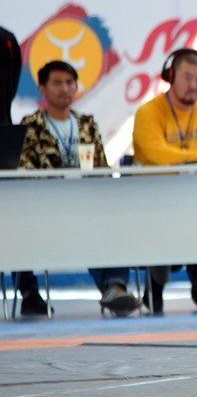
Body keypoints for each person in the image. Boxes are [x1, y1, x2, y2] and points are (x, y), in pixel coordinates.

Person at [16, 60, 142, 317]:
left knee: (113, 220)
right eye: (57, 83)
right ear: (42, 88)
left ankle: (115, 288)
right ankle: (29, 293)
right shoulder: (30, 125)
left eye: (69, 83)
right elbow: (24, 172)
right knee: (13, 218)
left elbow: (101, 169)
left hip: (87, 205)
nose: (65, 88)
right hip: (43, 209)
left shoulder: (87, 124)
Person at [131, 48, 197, 312]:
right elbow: (155, 153)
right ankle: (155, 287)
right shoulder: (148, 112)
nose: (194, 85)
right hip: (156, 199)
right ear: (171, 76)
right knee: (162, 222)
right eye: (187, 78)